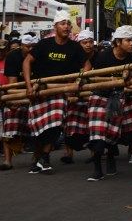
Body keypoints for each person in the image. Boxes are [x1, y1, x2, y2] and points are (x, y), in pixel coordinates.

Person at [23, 10, 91, 174]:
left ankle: (45, 157)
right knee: (39, 129)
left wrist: (78, 80)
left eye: (68, 24)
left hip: (61, 92)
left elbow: (87, 65)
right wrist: (28, 86)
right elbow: (27, 62)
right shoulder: (44, 44)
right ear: (55, 26)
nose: (66, 27)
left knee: (55, 124)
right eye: (63, 24)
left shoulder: (75, 47)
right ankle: (39, 159)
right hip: (40, 90)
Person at [85, 25, 132, 181]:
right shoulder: (103, 56)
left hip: (118, 97)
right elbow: (89, 73)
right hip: (99, 97)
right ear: (118, 42)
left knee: (111, 135)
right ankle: (97, 170)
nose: (131, 44)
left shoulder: (131, 58)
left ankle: (110, 157)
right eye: (128, 40)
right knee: (97, 135)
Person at [0, 32, 37, 171]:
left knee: (38, 128)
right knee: (9, 122)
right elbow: (12, 82)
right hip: (17, 93)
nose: (30, 49)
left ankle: (37, 159)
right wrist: (15, 99)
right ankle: (7, 160)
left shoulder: (38, 55)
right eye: (28, 46)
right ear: (22, 46)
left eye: (33, 46)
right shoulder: (13, 56)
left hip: (36, 92)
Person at [61, 29, 97, 165]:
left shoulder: (98, 56)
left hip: (92, 93)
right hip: (74, 95)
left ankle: (94, 153)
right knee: (69, 124)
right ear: (79, 44)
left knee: (92, 126)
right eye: (84, 42)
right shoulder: (72, 56)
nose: (88, 45)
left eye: (90, 42)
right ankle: (68, 153)